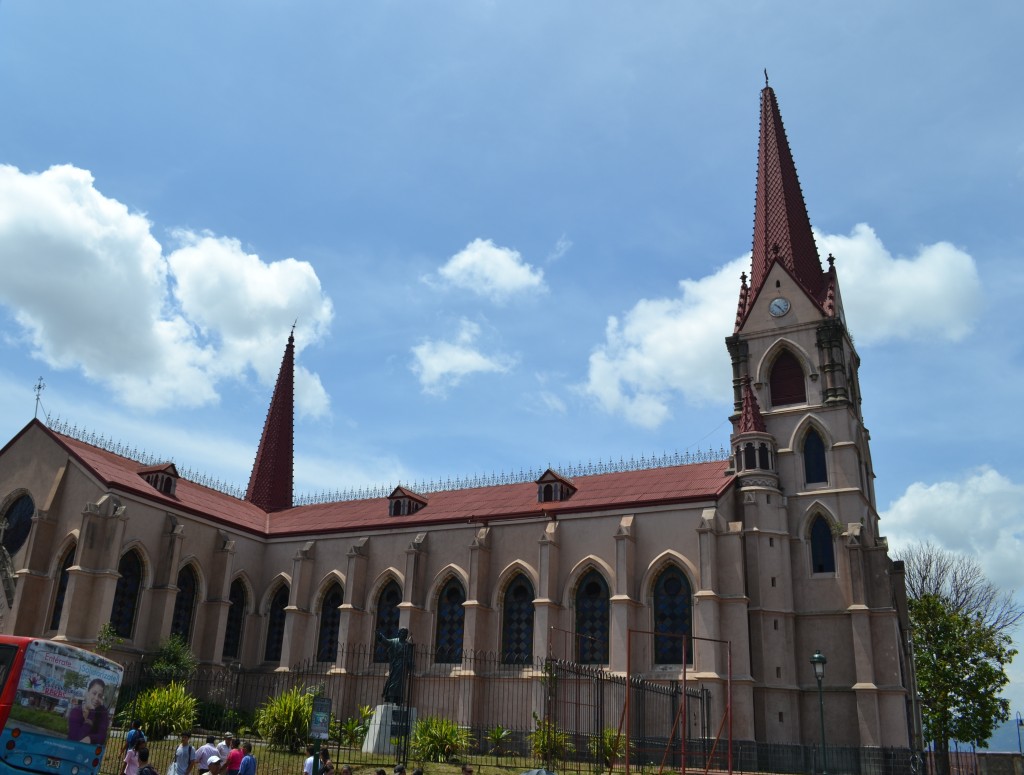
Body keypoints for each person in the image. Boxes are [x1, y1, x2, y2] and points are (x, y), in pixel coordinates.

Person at [67, 678, 110, 744]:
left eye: (100, 696)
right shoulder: (76, 711)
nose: (96, 698)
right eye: (94, 693)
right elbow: (76, 738)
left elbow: (102, 737)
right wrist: (92, 712)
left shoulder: (103, 713)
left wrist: (90, 738)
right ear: (87, 692)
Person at [376, 628, 413, 704]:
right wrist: (380, 637)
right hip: (395, 665)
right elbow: (386, 642)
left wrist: (410, 663)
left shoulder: (407, 644)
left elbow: (409, 656)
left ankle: (399, 698)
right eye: (402, 632)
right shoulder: (394, 641)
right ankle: (390, 697)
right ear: (399, 633)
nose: (404, 634)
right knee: (393, 682)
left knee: (401, 683)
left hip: (403, 666)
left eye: (406, 633)